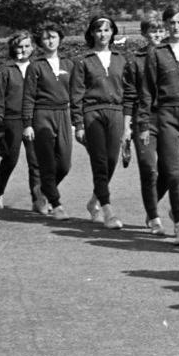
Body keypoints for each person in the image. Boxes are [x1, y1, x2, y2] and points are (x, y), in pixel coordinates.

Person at [144, 3, 179, 244]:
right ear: (165, 24)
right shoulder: (157, 52)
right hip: (166, 114)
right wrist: (144, 122)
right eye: (171, 23)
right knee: (174, 173)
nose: (175, 27)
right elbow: (147, 90)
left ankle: (174, 207)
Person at [74, 14, 129, 230]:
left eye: (107, 30)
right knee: (99, 162)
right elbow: (77, 94)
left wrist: (128, 123)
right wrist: (78, 124)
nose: (103, 34)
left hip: (116, 112)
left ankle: (93, 202)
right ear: (92, 33)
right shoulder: (83, 61)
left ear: (113, 32)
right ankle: (108, 211)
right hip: (92, 113)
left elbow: (127, 91)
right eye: (98, 30)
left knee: (112, 161)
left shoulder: (121, 59)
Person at [21, 23, 78, 219]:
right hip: (41, 115)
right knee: (46, 163)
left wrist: (78, 120)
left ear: (60, 39)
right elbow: (28, 96)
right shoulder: (35, 66)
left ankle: (42, 191)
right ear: (40, 42)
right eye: (46, 38)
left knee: (64, 165)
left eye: (53, 36)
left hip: (63, 114)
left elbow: (77, 93)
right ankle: (57, 205)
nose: (50, 41)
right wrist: (27, 124)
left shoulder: (69, 64)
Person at [123, 17, 169, 233]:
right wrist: (127, 126)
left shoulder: (173, 56)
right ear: (144, 34)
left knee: (170, 171)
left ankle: (153, 202)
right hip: (144, 119)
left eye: (160, 31)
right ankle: (153, 216)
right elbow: (130, 95)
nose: (157, 35)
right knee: (148, 168)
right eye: (152, 31)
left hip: (169, 118)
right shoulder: (136, 60)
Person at [0, 30, 41, 211]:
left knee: (35, 161)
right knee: (10, 159)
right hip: (12, 120)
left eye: (27, 46)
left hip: (33, 120)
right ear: (13, 47)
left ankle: (37, 199)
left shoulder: (38, 68)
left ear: (33, 47)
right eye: (20, 46)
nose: (24, 49)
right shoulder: (5, 71)